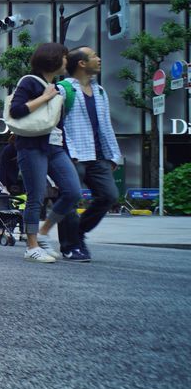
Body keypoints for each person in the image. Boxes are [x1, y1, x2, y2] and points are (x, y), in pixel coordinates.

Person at [8, 41, 83, 263]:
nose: (66, 61)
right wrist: (45, 97)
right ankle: (31, 246)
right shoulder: (29, 82)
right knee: (36, 196)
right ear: (52, 59)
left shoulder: (57, 86)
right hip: (32, 146)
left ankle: (43, 232)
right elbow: (17, 110)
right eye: (64, 56)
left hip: (56, 146)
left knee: (73, 191)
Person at [60, 46, 122, 262]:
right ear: (82, 64)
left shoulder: (100, 91)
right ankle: (70, 246)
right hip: (72, 154)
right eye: (94, 56)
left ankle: (78, 232)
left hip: (98, 155)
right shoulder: (64, 89)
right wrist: (68, 152)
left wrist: (113, 154)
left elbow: (105, 125)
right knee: (70, 197)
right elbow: (59, 124)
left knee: (109, 195)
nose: (99, 58)